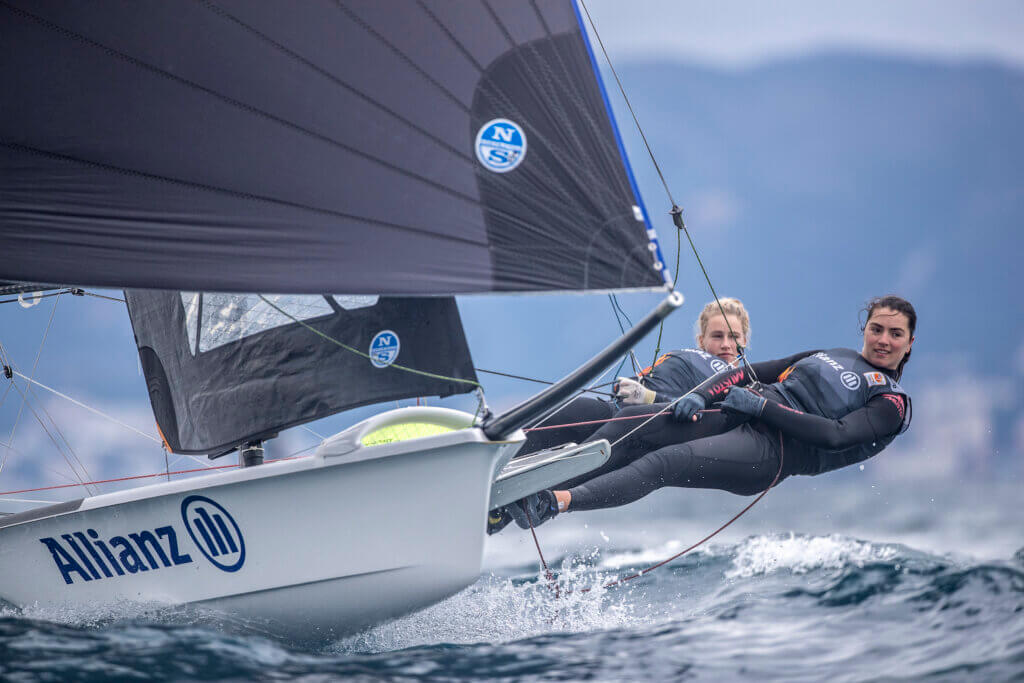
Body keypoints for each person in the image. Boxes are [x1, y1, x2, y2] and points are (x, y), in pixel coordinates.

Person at [498, 295, 915, 532]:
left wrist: (763, 407)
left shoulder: (891, 404)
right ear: (864, 328)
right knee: (636, 425)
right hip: (737, 413)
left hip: (770, 452)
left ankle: (553, 501)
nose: (883, 339)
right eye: (876, 328)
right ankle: (505, 492)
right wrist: (700, 396)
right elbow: (748, 373)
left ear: (909, 343)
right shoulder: (829, 353)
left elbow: (835, 435)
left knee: (662, 462)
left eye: (895, 334)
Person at [518, 297, 752, 454]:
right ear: (701, 341)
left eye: (734, 337)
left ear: (744, 341)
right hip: (613, 412)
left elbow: (706, 420)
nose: (726, 344)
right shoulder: (688, 355)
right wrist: (629, 387)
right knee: (548, 416)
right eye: (717, 336)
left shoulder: (744, 384)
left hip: (637, 432)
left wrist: (648, 398)